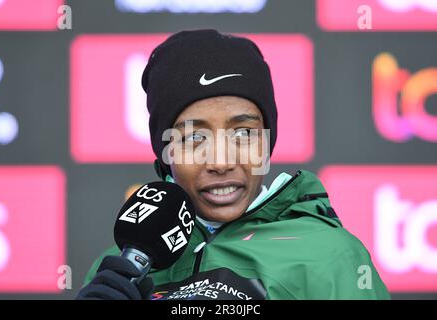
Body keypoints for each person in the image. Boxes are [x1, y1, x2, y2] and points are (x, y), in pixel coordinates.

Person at [77, 29, 390, 300]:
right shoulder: (120, 267)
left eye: (243, 133)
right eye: (194, 138)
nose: (221, 161)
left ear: (268, 142)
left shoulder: (331, 256)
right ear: (165, 151)